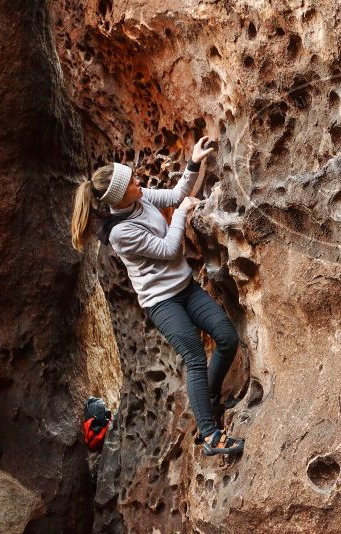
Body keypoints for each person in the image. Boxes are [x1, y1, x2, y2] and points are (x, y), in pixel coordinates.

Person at [70, 136, 244, 456]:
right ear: (119, 196)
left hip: (185, 287)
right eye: (133, 182)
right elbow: (168, 249)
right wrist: (181, 214)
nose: (139, 181)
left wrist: (193, 162)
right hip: (162, 302)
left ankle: (211, 400)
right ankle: (209, 436)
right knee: (193, 357)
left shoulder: (138, 199)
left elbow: (177, 194)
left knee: (226, 337)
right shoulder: (121, 233)